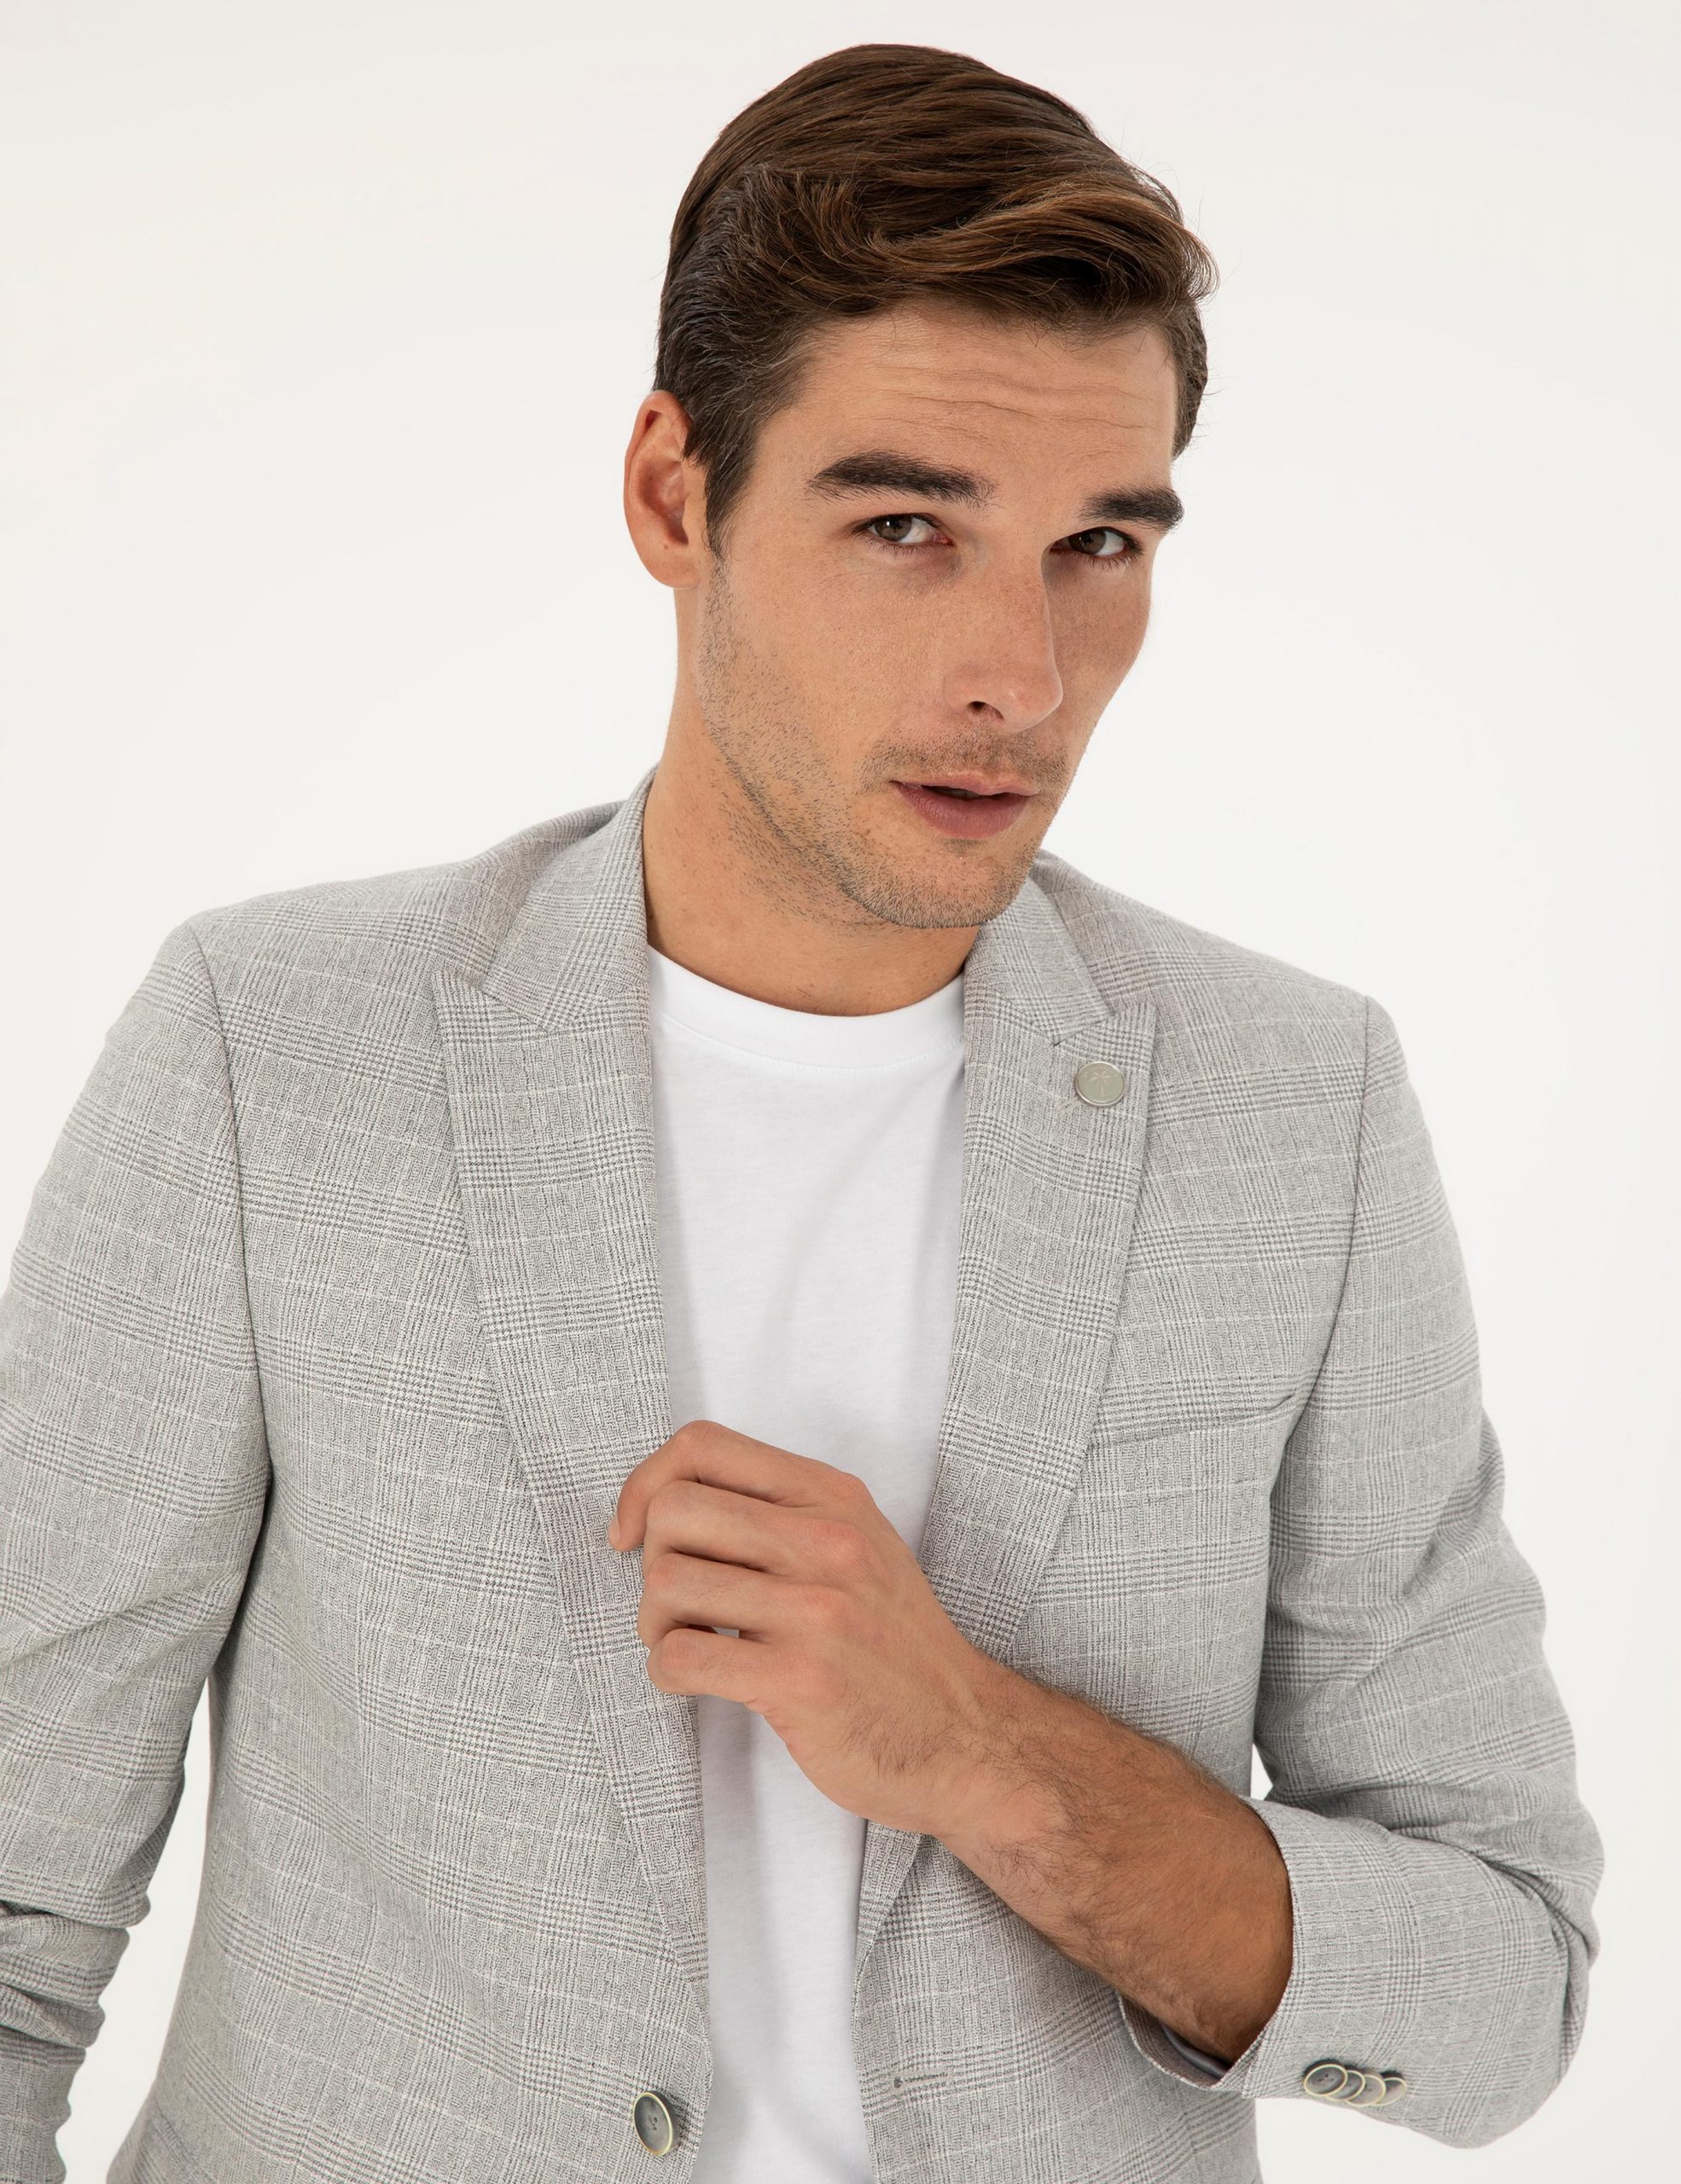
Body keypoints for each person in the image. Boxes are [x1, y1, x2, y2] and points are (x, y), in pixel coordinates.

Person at [0, 41, 1601, 2184]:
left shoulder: (1292, 1113)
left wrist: (986, 1752)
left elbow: (1502, 1984)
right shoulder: (274, 1050)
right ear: (676, 496)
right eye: (904, 525)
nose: (1022, 672)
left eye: (1097, 542)